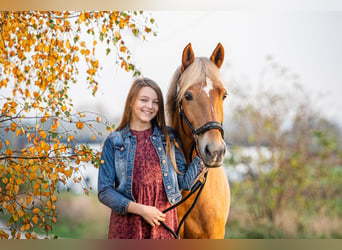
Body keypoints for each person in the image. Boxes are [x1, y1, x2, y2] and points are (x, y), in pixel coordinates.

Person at [97, 77, 205, 239]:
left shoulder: (169, 138)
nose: (149, 106)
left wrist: (203, 155)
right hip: (127, 228)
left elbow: (185, 183)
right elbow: (104, 191)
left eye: (155, 102)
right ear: (131, 102)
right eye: (144, 100)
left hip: (163, 226)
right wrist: (142, 210)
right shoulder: (114, 141)